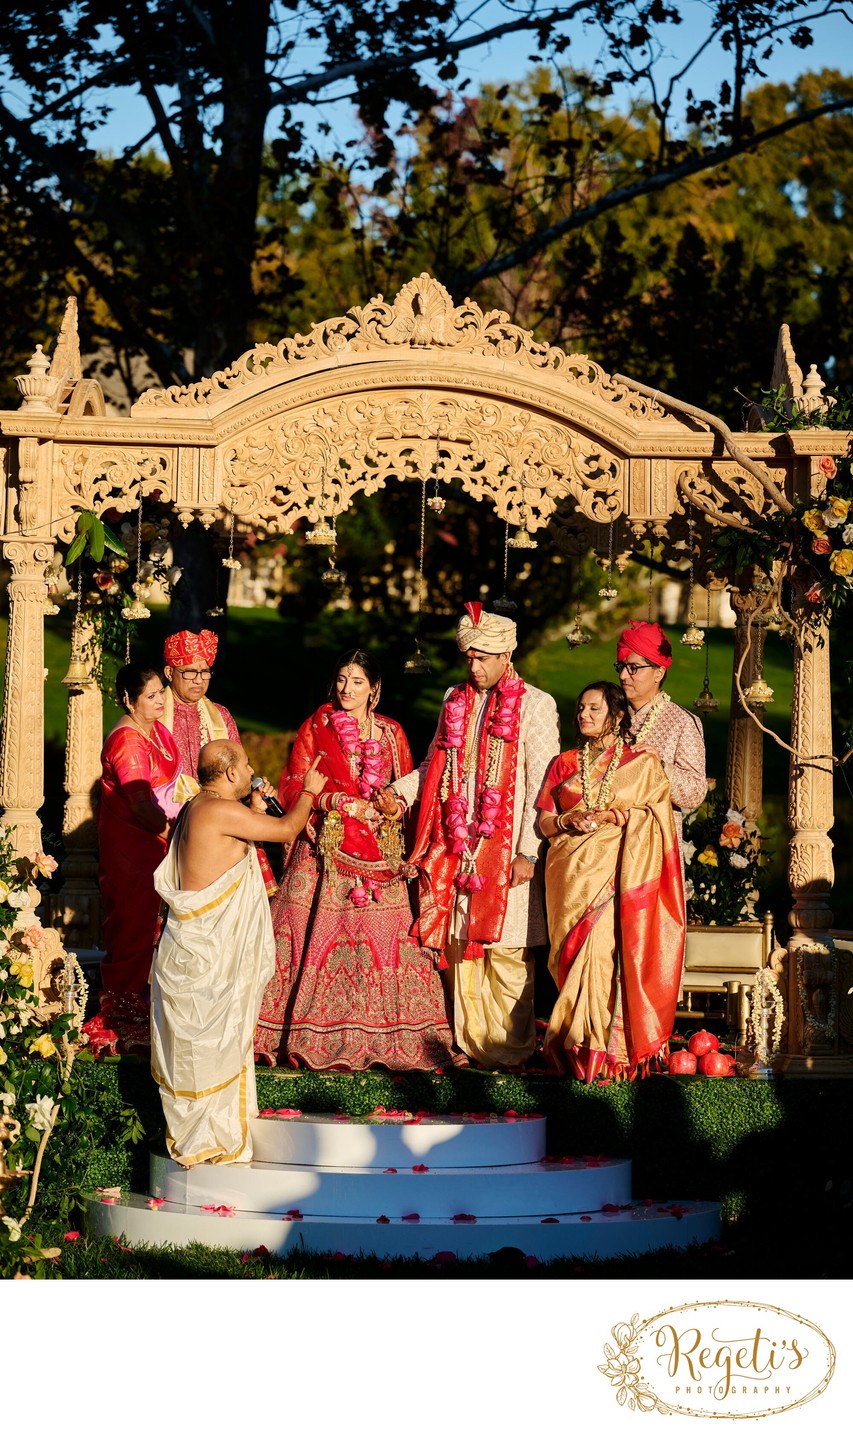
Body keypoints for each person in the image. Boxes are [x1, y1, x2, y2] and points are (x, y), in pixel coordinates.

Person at [254, 649, 458, 1071]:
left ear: (375, 689)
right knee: (314, 935)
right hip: (325, 846)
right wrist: (340, 802)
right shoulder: (318, 724)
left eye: (357, 682)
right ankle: (301, 1032)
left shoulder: (391, 732)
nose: (347, 689)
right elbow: (295, 786)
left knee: (389, 944)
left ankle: (399, 1037)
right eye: (342, 679)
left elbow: (406, 788)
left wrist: (390, 806)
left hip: (380, 854)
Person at [379, 603, 561, 1070]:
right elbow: (432, 766)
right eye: (469, 658)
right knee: (462, 953)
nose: (474, 667)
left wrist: (527, 851)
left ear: (506, 655)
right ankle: (471, 1052)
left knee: (506, 953)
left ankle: (510, 1056)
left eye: (483, 658)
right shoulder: (453, 701)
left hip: (507, 854)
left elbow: (544, 785)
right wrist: (399, 795)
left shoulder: (537, 705)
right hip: (457, 849)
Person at [151, 740, 326, 1165]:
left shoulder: (201, 806)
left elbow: (235, 842)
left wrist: (254, 807)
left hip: (192, 947)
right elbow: (288, 831)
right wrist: (309, 790)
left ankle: (210, 1137)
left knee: (209, 1044)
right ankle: (207, 1142)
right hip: (208, 953)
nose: (250, 769)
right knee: (211, 1044)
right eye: (245, 764)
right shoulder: (219, 811)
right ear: (229, 773)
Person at [537, 681, 685, 1083]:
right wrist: (568, 820)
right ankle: (575, 1045)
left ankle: (601, 1053)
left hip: (615, 875)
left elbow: (657, 820)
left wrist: (614, 817)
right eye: (581, 708)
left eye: (594, 709)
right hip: (567, 877)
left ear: (617, 717)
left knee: (602, 956)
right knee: (565, 959)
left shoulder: (641, 764)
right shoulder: (563, 763)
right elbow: (544, 821)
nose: (584, 715)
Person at [85, 663, 184, 1054]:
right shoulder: (127, 740)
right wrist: (179, 835)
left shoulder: (156, 730)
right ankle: (122, 1015)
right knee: (134, 924)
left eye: (162, 692)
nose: (160, 700)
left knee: (156, 927)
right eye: (151, 696)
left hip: (156, 840)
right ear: (127, 699)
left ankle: (145, 1008)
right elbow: (142, 806)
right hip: (134, 845)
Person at [162, 627, 276, 895]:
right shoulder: (156, 716)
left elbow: (238, 772)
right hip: (165, 822)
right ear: (169, 673)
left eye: (205, 672)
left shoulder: (221, 716)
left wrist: (254, 796)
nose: (199, 680)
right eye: (189, 672)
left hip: (217, 827)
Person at [614, 620, 707, 844]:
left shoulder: (682, 722)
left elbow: (694, 793)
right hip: (608, 843)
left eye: (633, 668)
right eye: (621, 667)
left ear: (659, 672)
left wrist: (661, 767)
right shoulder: (607, 715)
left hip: (655, 846)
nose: (623, 676)